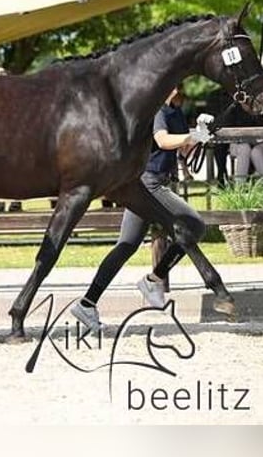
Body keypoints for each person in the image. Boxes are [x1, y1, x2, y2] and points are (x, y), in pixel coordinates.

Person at [71, 87, 213, 331]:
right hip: (150, 184)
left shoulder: (174, 110)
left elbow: (180, 148)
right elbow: (162, 139)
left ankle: (87, 302)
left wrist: (201, 134)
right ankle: (153, 280)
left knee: (126, 245)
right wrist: (191, 136)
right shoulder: (158, 109)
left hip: (155, 183)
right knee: (193, 228)